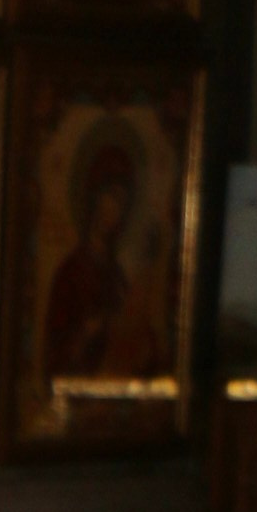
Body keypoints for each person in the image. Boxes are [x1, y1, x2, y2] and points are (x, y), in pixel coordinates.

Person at [43, 131, 157, 385]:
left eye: (123, 203)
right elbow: (54, 361)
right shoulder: (70, 273)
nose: (116, 210)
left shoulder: (117, 277)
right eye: (112, 196)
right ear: (94, 196)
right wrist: (87, 333)